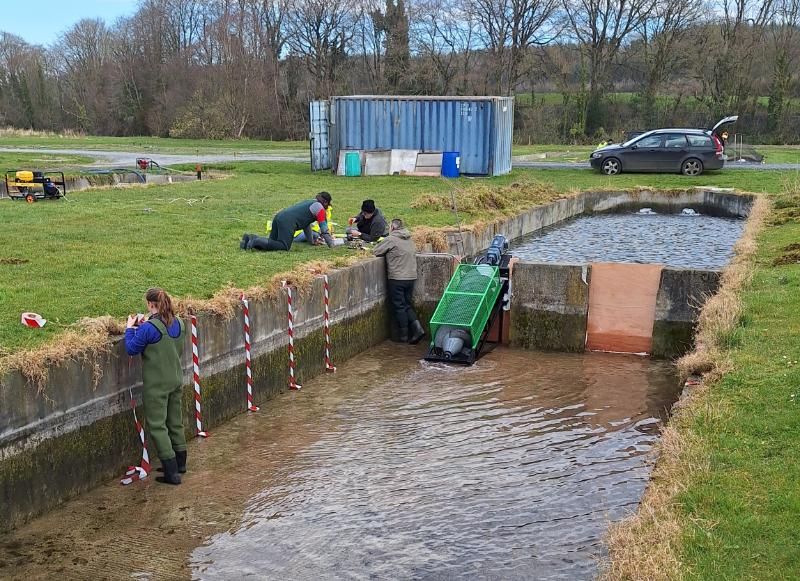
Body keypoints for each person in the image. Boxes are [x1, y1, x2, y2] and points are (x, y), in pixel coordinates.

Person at [124, 288, 186, 485]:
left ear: (151, 305)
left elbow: (131, 348)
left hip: (157, 385)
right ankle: (180, 464)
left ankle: (171, 473)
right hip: (176, 380)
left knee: (158, 426)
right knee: (175, 422)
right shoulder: (180, 323)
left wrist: (129, 329)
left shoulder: (149, 328)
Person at [373, 218, 425, 344]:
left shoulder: (391, 239)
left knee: (399, 306)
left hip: (397, 278)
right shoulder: (410, 240)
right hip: (411, 277)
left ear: (392, 227)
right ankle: (418, 329)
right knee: (407, 304)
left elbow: (376, 251)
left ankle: (403, 336)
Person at [241, 192, 334, 251]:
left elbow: (306, 226)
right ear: (325, 202)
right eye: (327, 205)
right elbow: (324, 229)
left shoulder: (310, 202)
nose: (327, 208)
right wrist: (332, 245)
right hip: (287, 221)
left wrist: (311, 242)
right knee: (284, 246)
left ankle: (250, 238)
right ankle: (255, 241)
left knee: (272, 243)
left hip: (279, 216)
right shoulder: (320, 209)